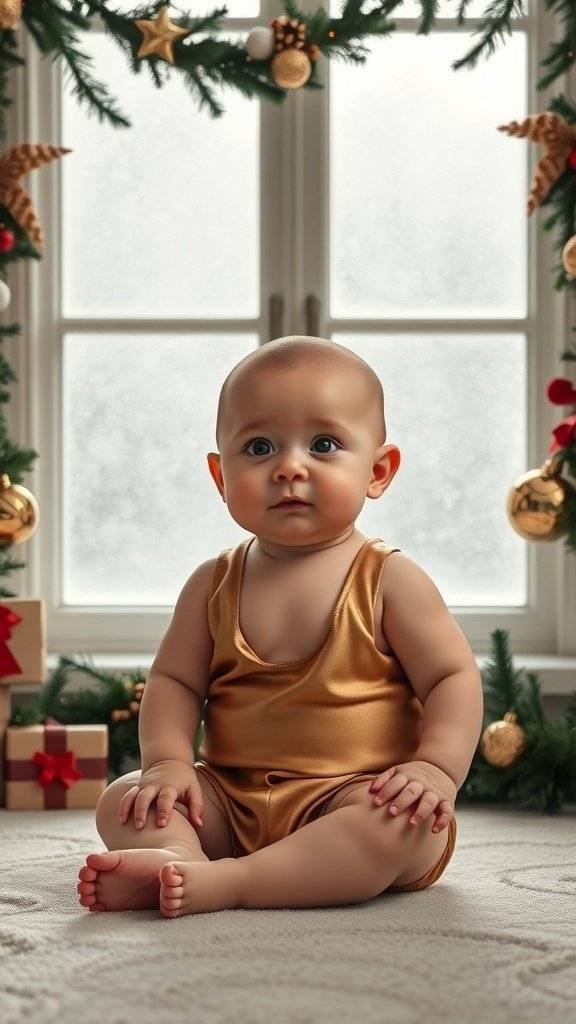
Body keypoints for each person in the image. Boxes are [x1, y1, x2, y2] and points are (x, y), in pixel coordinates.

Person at [76, 335, 484, 918]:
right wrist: (167, 764)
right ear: (220, 477)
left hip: (354, 796)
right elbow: (175, 683)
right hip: (231, 798)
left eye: (324, 444)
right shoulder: (211, 584)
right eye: (260, 446)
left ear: (379, 470)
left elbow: (451, 677)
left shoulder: (391, 580)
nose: (289, 467)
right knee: (126, 798)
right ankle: (176, 854)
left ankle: (232, 882)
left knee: (396, 827)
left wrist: (434, 769)